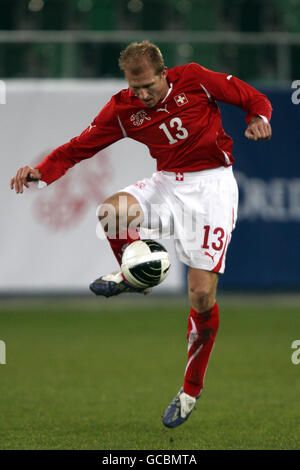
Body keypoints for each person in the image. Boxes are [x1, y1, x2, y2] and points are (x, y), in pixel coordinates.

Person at [10, 41, 272, 428]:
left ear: (166, 74)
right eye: (135, 88)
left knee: (201, 296)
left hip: (212, 189)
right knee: (111, 213)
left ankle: (190, 390)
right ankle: (133, 274)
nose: (142, 95)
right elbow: (78, 148)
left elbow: (251, 96)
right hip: (167, 185)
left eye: (148, 85)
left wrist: (258, 117)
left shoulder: (196, 80)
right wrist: (42, 172)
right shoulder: (123, 109)